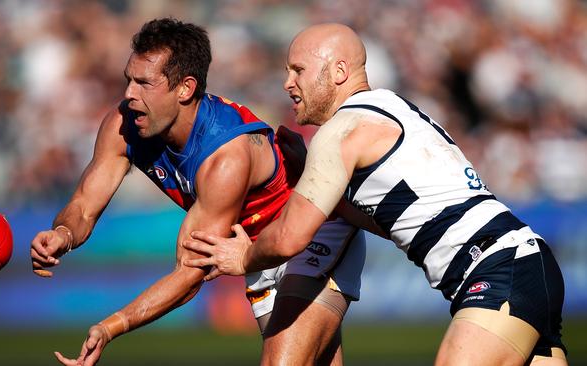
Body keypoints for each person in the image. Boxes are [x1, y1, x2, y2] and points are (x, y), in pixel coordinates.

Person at [183, 23, 568, 366]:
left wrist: (244, 256)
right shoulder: (394, 108)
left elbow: (289, 238)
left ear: (338, 72)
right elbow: (394, 222)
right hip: (526, 263)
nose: (287, 83)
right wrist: (314, 174)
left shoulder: (340, 132)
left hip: (496, 270)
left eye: (298, 70)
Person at [29, 18, 366, 366]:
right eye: (129, 79)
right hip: (256, 251)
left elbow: (191, 273)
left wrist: (112, 326)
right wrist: (62, 234)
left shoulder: (225, 155)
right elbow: (84, 206)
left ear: (185, 89)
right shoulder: (123, 125)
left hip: (313, 230)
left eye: (144, 83)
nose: (129, 94)